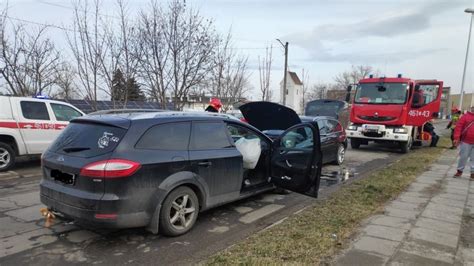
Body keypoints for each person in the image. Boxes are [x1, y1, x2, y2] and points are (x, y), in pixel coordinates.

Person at [453, 106, 474, 178]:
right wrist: (456, 137)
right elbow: (458, 127)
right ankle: (459, 171)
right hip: (466, 141)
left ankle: (473, 173)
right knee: (463, 157)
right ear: (472, 109)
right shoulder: (465, 116)